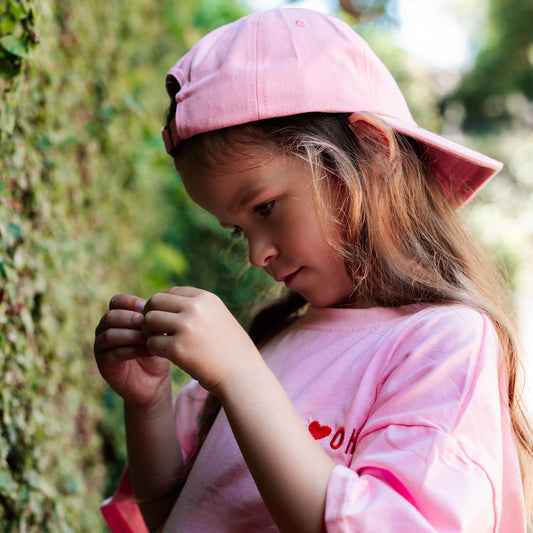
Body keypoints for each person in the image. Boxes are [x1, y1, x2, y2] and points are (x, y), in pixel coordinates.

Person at [93, 8, 532, 533]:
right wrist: (148, 405)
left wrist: (240, 376)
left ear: (371, 152)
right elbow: (174, 512)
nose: (257, 255)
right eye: (238, 230)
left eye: (265, 208)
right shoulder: (273, 341)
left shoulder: (442, 342)